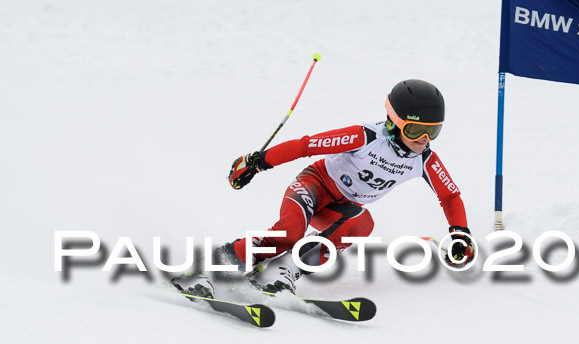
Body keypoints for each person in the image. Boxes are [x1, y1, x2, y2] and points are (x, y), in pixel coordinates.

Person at [173, 79, 474, 298]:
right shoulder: (365, 136)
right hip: (314, 186)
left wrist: (460, 233)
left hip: (340, 209)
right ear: (394, 122)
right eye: (414, 129)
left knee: (362, 223)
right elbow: (307, 146)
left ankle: (284, 270)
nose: (423, 139)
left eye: (432, 131)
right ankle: (208, 269)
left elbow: (450, 196)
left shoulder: (426, 160)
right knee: (289, 233)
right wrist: (257, 162)